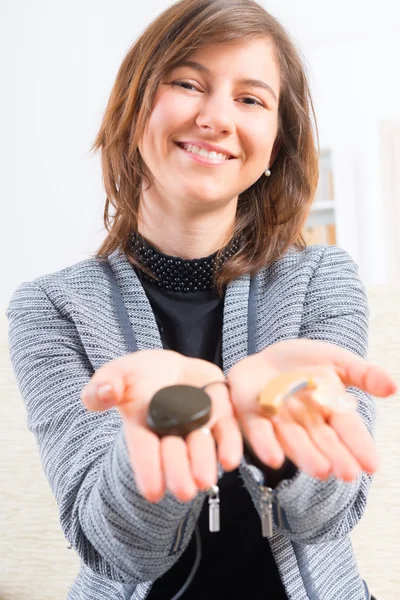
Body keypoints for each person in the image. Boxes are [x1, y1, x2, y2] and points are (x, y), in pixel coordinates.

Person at [6, 0, 396, 598]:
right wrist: (156, 439)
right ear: (135, 110)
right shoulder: (48, 308)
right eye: (188, 83)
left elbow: (332, 517)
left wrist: (284, 439)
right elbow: (108, 549)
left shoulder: (323, 276)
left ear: (273, 147)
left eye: (251, 99)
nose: (215, 117)